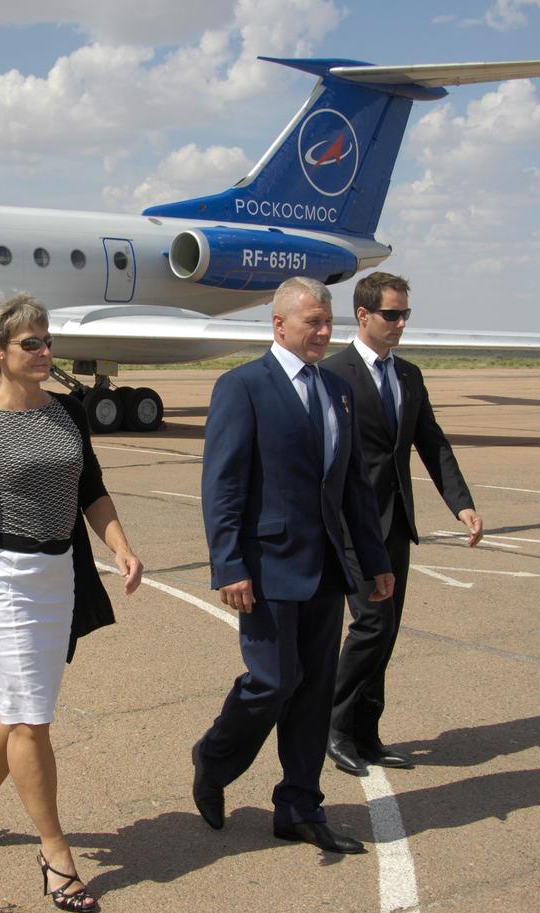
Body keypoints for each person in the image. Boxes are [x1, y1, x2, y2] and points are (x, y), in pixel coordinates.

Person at [0, 292, 143, 912]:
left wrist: (120, 547)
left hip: (57, 577)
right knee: (32, 718)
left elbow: (91, 489)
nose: (46, 352)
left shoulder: (69, 412)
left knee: (20, 708)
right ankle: (55, 851)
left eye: (48, 341)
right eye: (32, 344)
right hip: (5, 581)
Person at [191, 276, 396, 855]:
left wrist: (374, 559)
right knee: (273, 683)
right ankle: (213, 757)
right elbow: (223, 485)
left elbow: (352, 484)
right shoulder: (243, 386)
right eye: (314, 323)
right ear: (279, 324)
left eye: (329, 322)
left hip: (327, 567)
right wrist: (228, 563)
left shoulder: (338, 390)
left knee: (313, 692)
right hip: (266, 566)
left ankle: (299, 806)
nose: (326, 332)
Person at [321, 272, 482, 775]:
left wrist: (461, 503)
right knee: (370, 625)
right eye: (392, 314)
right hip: (350, 525)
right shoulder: (333, 373)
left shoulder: (408, 375)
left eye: (405, 314)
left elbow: (431, 443)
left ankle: (367, 733)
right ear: (364, 315)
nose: (400, 324)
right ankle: (334, 726)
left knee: (387, 631)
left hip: (394, 525)